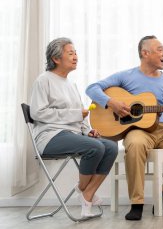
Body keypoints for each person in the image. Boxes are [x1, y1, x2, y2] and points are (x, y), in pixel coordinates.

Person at [86, 35, 163, 221]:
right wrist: (112, 103)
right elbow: (92, 88)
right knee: (134, 145)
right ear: (145, 53)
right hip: (139, 130)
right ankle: (137, 203)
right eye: (160, 49)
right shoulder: (126, 76)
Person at [30, 37, 118, 218]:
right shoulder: (43, 80)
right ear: (56, 59)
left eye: (76, 53)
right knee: (95, 147)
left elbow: (80, 116)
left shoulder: (71, 85)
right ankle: (83, 191)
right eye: (70, 53)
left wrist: (88, 130)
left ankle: (86, 193)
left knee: (111, 146)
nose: (76, 56)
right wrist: (75, 114)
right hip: (49, 136)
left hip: (71, 134)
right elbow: (38, 113)